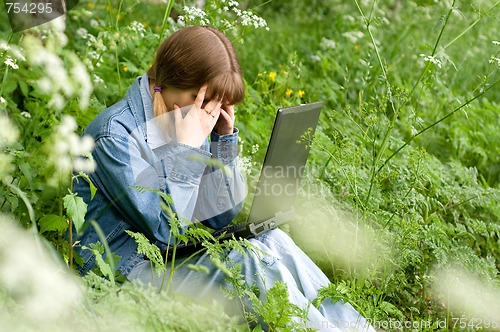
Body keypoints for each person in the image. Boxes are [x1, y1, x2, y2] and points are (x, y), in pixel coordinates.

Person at [73, 25, 375, 331]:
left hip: (172, 258)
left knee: (273, 240)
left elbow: (220, 217)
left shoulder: (187, 116)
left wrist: (224, 141)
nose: (209, 113)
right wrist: (185, 150)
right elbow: (168, 231)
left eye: (217, 105)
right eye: (203, 99)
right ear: (163, 83)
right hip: (126, 274)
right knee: (249, 262)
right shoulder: (114, 137)